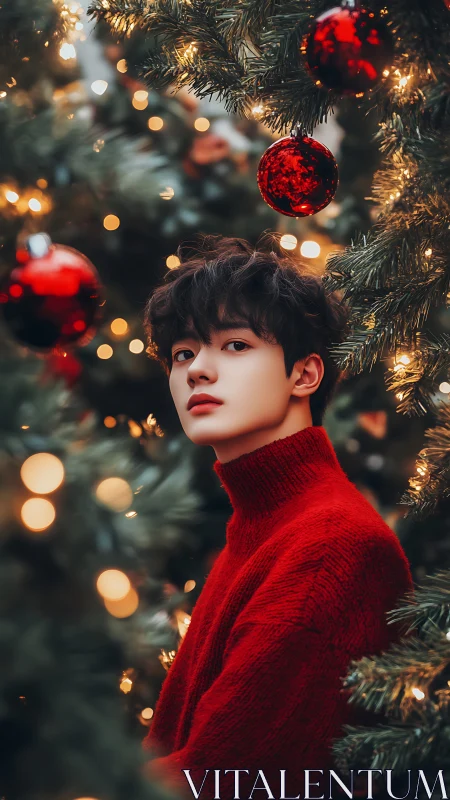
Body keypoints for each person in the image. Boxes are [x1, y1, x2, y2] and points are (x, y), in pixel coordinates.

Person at [141, 235, 414, 799]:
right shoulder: (265, 524)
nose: (197, 371)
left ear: (305, 375)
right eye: (183, 353)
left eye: (235, 345)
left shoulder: (332, 546)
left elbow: (219, 780)